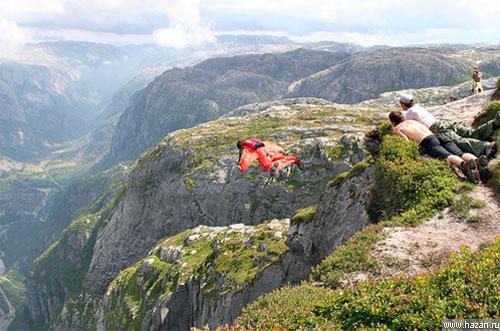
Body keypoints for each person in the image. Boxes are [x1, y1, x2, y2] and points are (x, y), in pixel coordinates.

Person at [389, 111, 482, 183]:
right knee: (460, 153)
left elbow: (406, 141)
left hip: (428, 141)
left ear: (393, 122)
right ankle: (478, 162)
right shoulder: (412, 121)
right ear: (403, 117)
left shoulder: (397, 128)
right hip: (438, 135)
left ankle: (464, 165)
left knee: (446, 155)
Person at [399, 94, 498, 158]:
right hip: (443, 122)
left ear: (403, 104)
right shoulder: (417, 107)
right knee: (470, 132)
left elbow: (410, 128)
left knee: (459, 141)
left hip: (436, 128)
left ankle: (485, 146)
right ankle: (493, 124)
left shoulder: (409, 113)